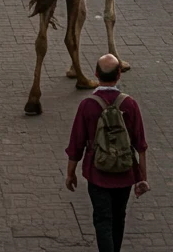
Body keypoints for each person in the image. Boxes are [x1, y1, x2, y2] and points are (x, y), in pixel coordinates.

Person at [65, 53, 149, 252]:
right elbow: (140, 145)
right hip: (125, 172)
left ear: (95, 73)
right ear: (119, 75)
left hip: (97, 172)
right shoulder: (130, 104)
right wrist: (142, 178)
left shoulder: (88, 105)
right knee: (118, 218)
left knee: (102, 220)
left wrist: (70, 173)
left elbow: (76, 144)